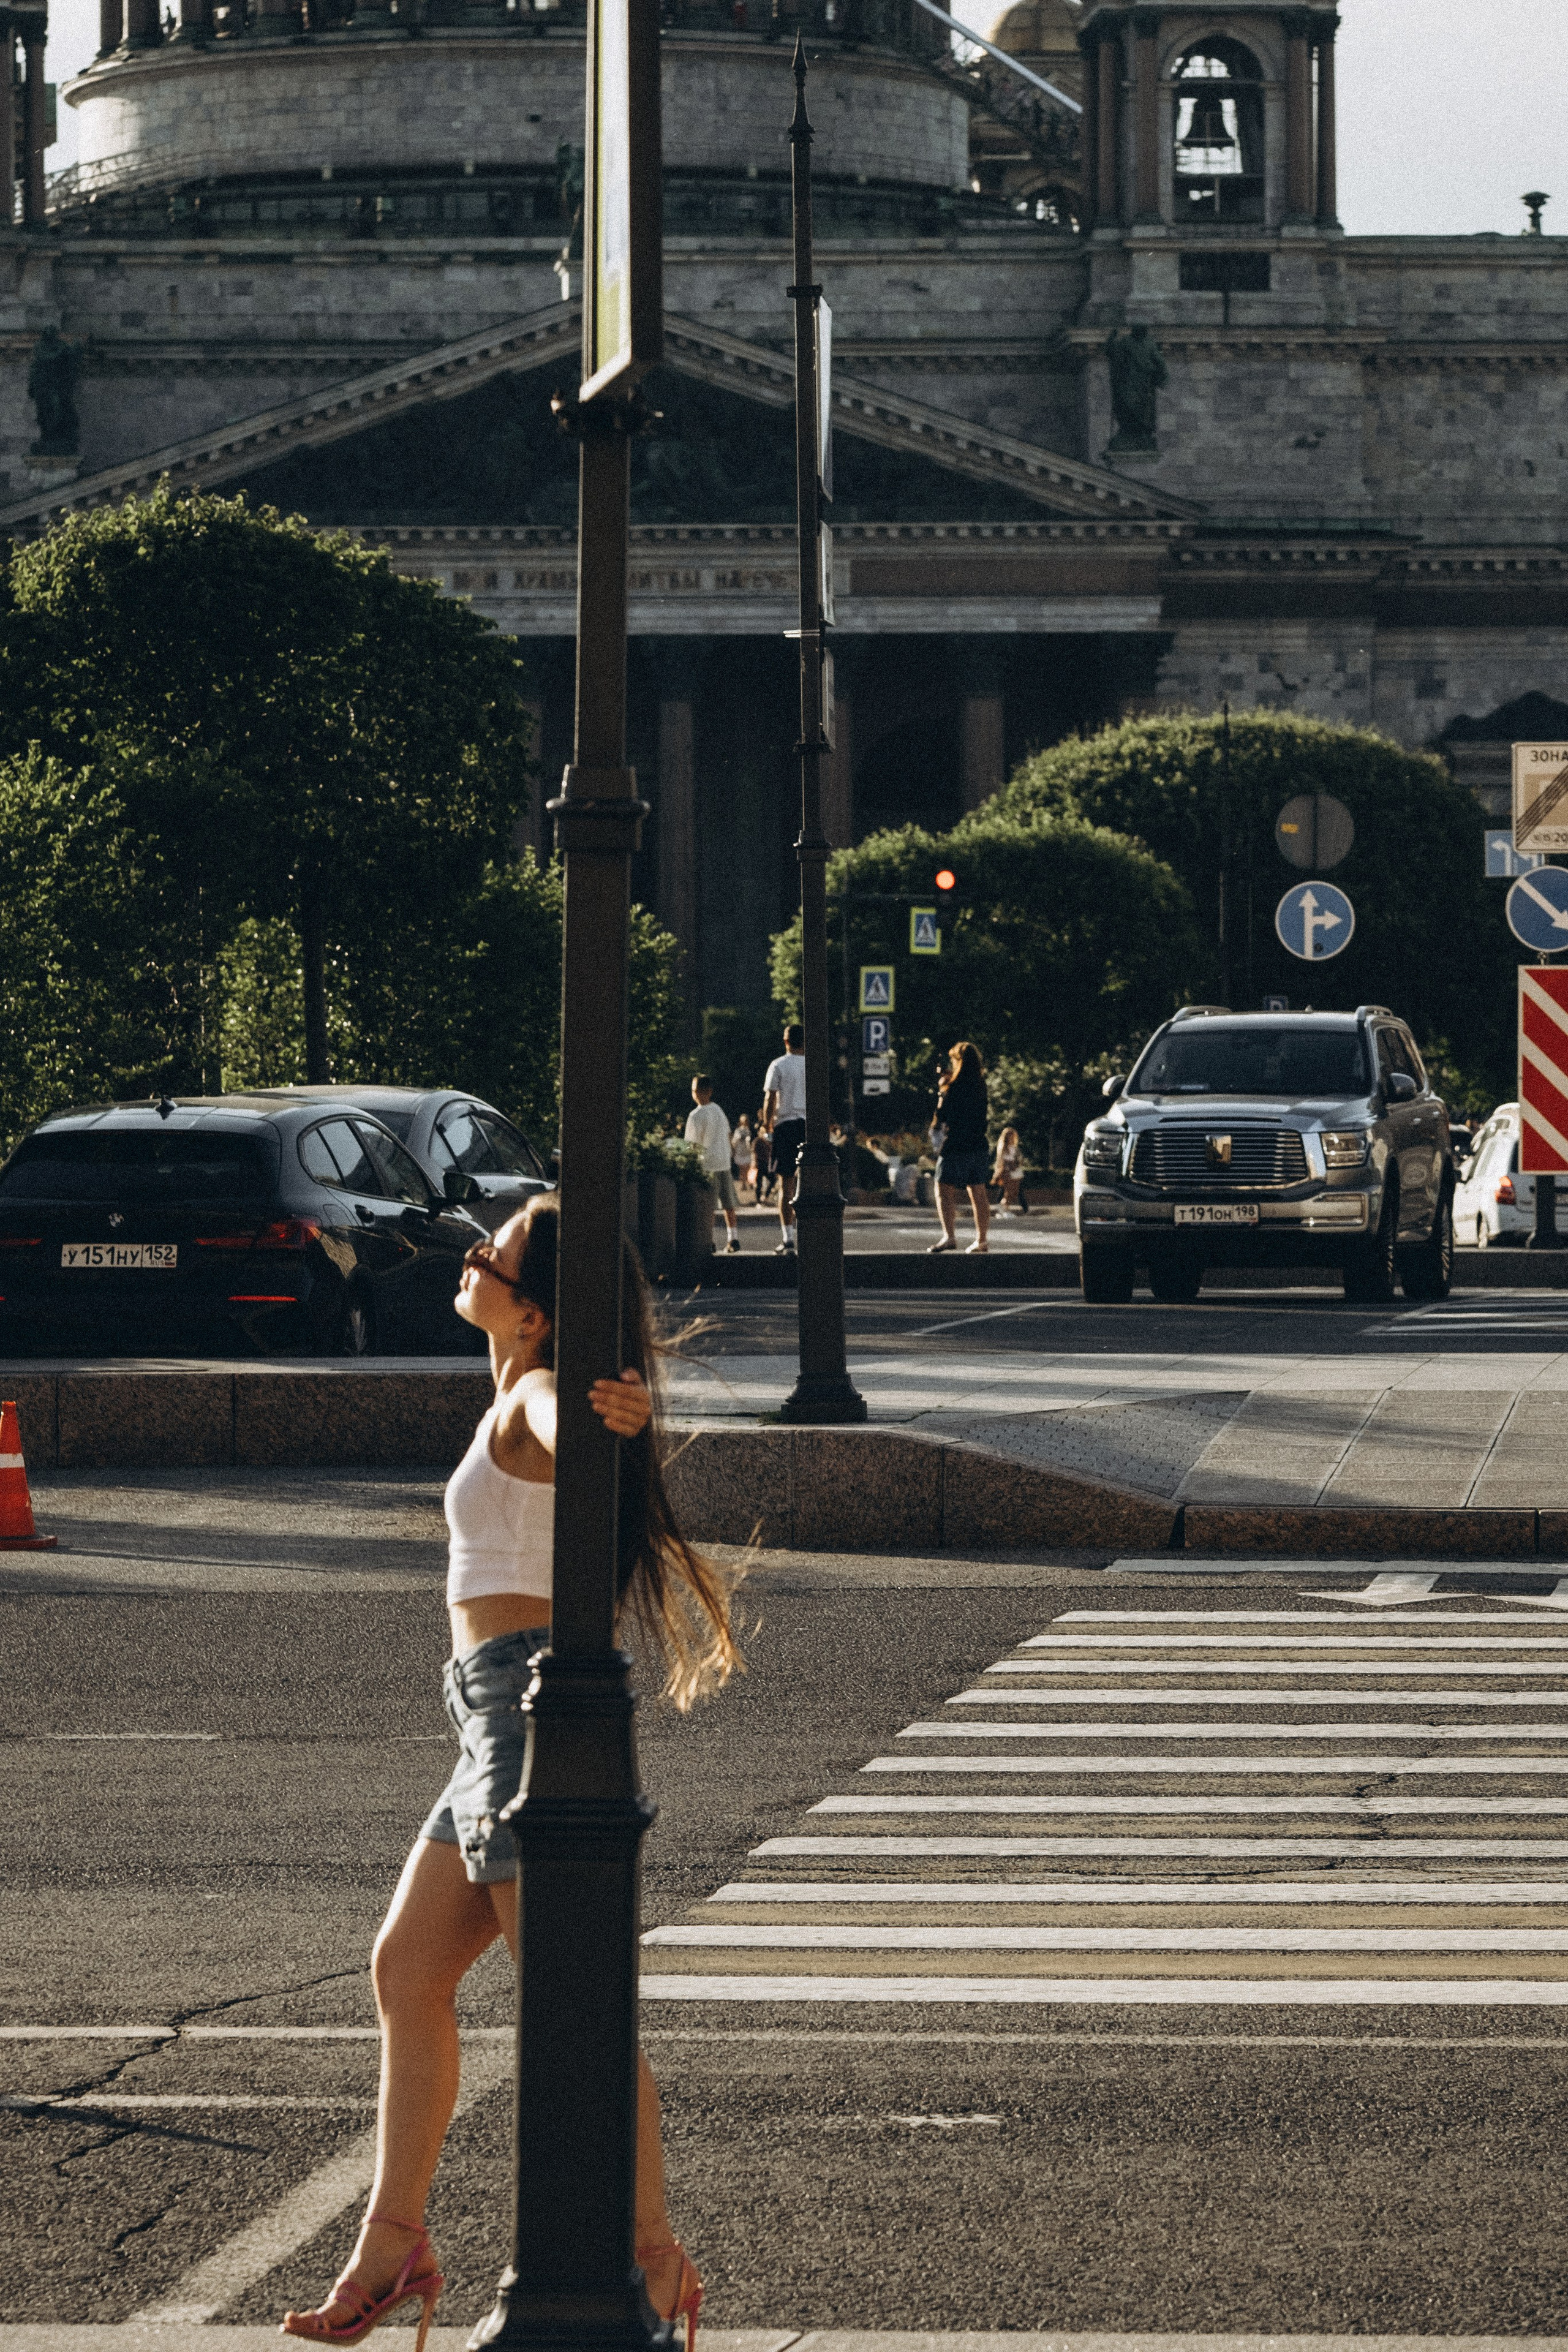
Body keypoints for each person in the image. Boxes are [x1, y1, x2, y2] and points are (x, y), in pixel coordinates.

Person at [281, 1197, 739, 2352]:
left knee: (574, 2006)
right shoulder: (509, 1393)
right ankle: (399, 2248)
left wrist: (606, 1409)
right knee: (407, 1970)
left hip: (521, 1713)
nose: (471, 1255)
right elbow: (542, 1404)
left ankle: (650, 2258)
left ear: (534, 1315)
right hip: (489, 1715)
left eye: (492, 1253)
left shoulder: (531, 1403)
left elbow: (558, 1413)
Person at [929, 1039, 992, 1255]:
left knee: (943, 1187)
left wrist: (942, 1090)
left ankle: (949, 1236)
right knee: (978, 1191)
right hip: (979, 1143)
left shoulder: (953, 1087)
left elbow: (943, 1115)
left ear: (960, 1061)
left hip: (957, 1144)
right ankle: (981, 1240)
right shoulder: (980, 1085)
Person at [761, 1022, 807, 1254]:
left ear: (786, 1041)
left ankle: (788, 1238)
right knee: (810, 1183)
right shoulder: (813, 1065)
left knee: (785, 1185)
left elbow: (770, 1099)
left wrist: (767, 1126)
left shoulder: (778, 1065)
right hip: (809, 1127)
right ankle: (810, 1235)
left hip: (786, 1126)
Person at [684, 1072, 742, 1252]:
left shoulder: (695, 1115)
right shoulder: (718, 1110)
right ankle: (733, 1238)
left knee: (707, 1205)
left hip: (707, 1164)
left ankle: (707, 1241)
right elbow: (728, 1134)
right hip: (723, 1161)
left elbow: (692, 1145)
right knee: (728, 1204)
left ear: (704, 1092)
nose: (695, 1094)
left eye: (696, 1091)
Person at [993, 1124, 1026, 1215]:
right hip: (1007, 1172)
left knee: (1015, 1192)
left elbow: (1018, 1159)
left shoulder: (1015, 1148)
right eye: (1010, 1136)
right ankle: (1003, 1209)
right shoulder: (1003, 1148)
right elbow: (1003, 1161)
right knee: (1009, 1192)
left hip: (1016, 1172)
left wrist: (1017, 1163)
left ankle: (1004, 1209)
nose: (1011, 1138)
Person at [752, 1115, 773, 1204]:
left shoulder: (769, 1142)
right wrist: (754, 1163)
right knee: (759, 1183)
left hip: (767, 1164)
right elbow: (754, 1152)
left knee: (772, 1180)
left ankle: (766, 1196)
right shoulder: (757, 1141)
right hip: (760, 1164)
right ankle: (758, 1199)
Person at [731, 1112, 753, 1195]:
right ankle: (743, 1184)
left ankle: (748, 1182)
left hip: (747, 1151)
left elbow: (750, 1140)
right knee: (742, 1169)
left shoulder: (748, 1130)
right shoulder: (738, 1130)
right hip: (740, 1151)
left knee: (747, 1169)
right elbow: (734, 1141)